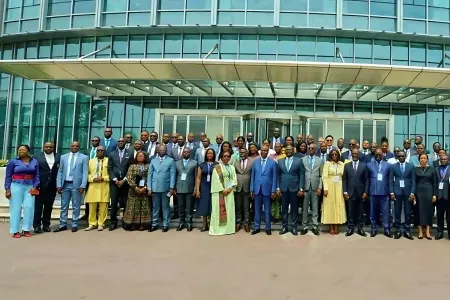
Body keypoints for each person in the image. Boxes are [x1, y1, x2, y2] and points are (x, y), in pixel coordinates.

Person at [4, 145, 40, 238]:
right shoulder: (13, 161)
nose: (20, 151)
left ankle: (26, 229)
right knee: (16, 208)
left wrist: (35, 186)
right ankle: (15, 230)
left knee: (29, 207)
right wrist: (7, 189)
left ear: (28, 151)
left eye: (23, 150)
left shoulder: (34, 161)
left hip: (30, 187)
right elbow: (8, 175)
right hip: (16, 186)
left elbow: (37, 175)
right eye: (19, 150)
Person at [54, 141, 88, 233]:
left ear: (79, 147)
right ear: (70, 146)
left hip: (76, 185)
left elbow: (85, 172)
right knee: (64, 206)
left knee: (76, 206)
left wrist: (83, 185)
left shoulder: (84, 157)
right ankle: (62, 224)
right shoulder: (63, 157)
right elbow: (60, 171)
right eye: (73, 145)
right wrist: (58, 184)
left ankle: (74, 224)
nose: (74, 147)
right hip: (65, 184)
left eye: (77, 146)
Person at [277, 145, 305, 235]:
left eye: (290, 149)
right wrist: (277, 188)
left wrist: (301, 188)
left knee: (294, 209)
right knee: (284, 209)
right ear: (284, 151)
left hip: (294, 188)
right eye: (287, 150)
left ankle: (294, 227)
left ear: (293, 150)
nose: (288, 151)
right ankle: (284, 227)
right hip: (283, 188)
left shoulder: (299, 160)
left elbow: (302, 175)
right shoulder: (280, 161)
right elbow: (278, 176)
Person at [33, 142, 60, 233]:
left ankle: (46, 225)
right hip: (40, 185)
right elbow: (34, 171)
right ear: (43, 147)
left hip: (52, 186)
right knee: (38, 207)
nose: (49, 148)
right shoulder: (37, 157)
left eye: (51, 147)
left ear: (53, 148)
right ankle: (36, 226)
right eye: (47, 147)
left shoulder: (58, 156)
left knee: (49, 207)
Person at [148, 145, 176, 232]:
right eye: (160, 149)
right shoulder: (153, 161)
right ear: (157, 151)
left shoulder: (170, 160)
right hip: (155, 187)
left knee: (165, 207)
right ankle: (154, 224)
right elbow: (150, 175)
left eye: (164, 149)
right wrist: (149, 188)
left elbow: (172, 174)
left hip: (166, 187)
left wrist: (172, 187)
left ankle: (165, 224)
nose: (162, 151)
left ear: (166, 150)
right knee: (155, 207)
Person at [250, 145, 277, 235]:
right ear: (260, 151)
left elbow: (274, 178)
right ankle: (256, 227)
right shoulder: (255, 162)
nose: (264, 152)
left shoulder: (272, 163)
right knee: (257, 210)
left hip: (267, 190)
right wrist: (251, 189)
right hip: (257, 189)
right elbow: (252, 177)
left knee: (267, 210)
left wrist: (273, 190)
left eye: (265, 150)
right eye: (262, 150)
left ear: (268, 152)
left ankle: (268, 228)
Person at [389, 151, 415, 240]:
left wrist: (412, 192)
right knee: (397, 212)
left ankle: (407, 230)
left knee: (408, 212)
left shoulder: (410, 166)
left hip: (408, 192)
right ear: (397, 157)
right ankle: (398, 230)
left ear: (405, 156)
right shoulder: (393, 166)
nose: (401, 158)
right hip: (397, 192)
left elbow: (413, 180)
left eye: (402, 156)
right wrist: (391, 192)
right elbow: (390, 180)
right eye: (399, 156)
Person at [209, 151, 237, 236]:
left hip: (229, 192)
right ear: (221, 157)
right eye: (224, 156)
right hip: (219, 193)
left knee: (229, 210)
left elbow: (234, 179)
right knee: (217, 211)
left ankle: (228, 229)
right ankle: (217, 230)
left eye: (228, 156)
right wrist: (222, 190)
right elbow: (216, 180)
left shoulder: (232, 167)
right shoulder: (216, 168)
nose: (226, 157)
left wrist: (229, 189)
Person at [342, 148, 369, 237]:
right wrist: (345, 191)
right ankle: (351, 228)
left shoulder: (364, 165)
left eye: (356, 154)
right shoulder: (347, 165)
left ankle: (360, 228)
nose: (354, 155)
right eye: (353, 154)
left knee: (360, 212)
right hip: (350, 192)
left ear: (359, 155)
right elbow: (344, 179)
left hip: (361, 193)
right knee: (351, 211)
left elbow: (366, 180)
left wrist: (365, 192)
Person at [367, 148, 392, 238]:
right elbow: (367, 180)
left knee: (385, 213)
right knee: (373, 212)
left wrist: (390, 191)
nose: (378, 156)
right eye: (376, 155)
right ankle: (373, 229)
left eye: (380, 155)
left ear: (383, 155)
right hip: (373, 192)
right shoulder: (369, 165)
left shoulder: (388, 165)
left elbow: (390, 180)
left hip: (384, 193)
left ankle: (386, 229)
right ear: (374, 155)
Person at [84, 146, 110, 231]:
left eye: (102, 150)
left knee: (103, 207)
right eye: (98, 150)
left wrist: (104, 178)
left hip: (104, 186)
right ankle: (92, 223)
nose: (100, 152)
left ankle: (101, 223)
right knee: (92, 207)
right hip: (93, 186)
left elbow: (112, 173)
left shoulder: (108, 160)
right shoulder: (91, 161)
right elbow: (86, 174)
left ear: (104, 151)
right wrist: (92, 179)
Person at [107, 137, 131, 231]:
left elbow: (130, 168)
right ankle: (113, 222)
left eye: (122, 141)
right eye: (119, 141)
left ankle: (125, 222)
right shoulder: (112, 154)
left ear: (125, 142)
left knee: (125, 203)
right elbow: (109, 168)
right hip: (114, 183)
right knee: (113, 203)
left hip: (125, 182)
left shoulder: (130, 153)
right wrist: (115, 179)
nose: (120, 142)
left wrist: (124, 180)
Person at [123, 151, 150, 231]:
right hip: (133, 191)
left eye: (142, 156)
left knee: (143, 207)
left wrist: (145, 188)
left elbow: (150, 177)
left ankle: (142, 224)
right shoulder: (132, 166)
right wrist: (135, 188)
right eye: (138, 156)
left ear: (145, 157)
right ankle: (132, 224)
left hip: (144, 190)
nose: (140, 157)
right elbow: (129, 177)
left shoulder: (148, 166)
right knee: (133, 207)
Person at [321, 149, 346, 235]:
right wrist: (325, 188)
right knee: (330, 206)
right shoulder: (327, 164)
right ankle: (331, 226)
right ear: (330, 156)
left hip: (339, 186)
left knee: (338, 205)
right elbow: (324, 177)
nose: (334, 155)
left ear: (338, 155)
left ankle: (336, 225)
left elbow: (345, 176)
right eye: (333, 154)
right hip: (330, 186)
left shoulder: (342, 164)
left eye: (336, 154)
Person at [301, 144, 322, 236]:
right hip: (305, 186)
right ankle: (304, 226)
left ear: (315, 149)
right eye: (309, 148)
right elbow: (301, 174)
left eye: (313, 148)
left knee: (315, 207)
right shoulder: (303, 159)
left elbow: (321, 176)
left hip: (315, 186)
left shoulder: (320, 160)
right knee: (304, 208)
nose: (311, 149)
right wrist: (301, 188)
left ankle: (315, 226)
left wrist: (320, 187)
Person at [174, 148, 197, 232]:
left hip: (190, 188)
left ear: (190, 153)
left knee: (189, 206)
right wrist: (174, 188)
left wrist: (195, 189)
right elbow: (174, 176)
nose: (186, 153)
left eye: (188, 152)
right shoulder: (176, 163)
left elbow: (196, 177)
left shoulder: (194, 163)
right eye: (184, 152)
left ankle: (189, 223)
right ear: (182, 153)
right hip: (179, 188)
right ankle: (181, 222)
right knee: (180, 206)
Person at [195, 148, 218, 231]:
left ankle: (212, 223)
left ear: (214, 155)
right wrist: (197, 190)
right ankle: (204, 224)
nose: (210, 155)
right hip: (204, 187)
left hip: (214, 187)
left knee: (213, 205)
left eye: (211, 153)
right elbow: (198, 178)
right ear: (206, 155)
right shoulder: (202, 165)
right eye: (208, 153)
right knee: (204, 205)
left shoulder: (217, 164)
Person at [415, 153, 436, 240]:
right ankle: (420, 231)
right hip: (419, 191)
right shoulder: (415, 169)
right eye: (421, 158)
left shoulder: (432, 169)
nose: (423, 160)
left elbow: (434, 182)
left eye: (424, 158)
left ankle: (427, 231)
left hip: (429, 191)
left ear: (427, 160)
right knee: (419, 211)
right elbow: (414, 181)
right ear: (419, 160)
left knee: (428, 211)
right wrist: (414, 194)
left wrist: (434, 194)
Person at [233, 147, 254, 233]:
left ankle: (246, 223)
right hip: (238, 187)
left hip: (247, 187)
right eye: (241, 152)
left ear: (247, 153)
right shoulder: (236, 163)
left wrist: (252, 188)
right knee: (238, 207)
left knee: (246, 207)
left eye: (244, 152)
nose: (242, 154)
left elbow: (253, 175)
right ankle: (238, 222)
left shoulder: (252, 162)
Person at [434, 154, 450, 240]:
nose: (443, 160)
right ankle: (440, 232)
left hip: (448, 196)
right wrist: (434, 194)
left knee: (449, 217)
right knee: (439, 215)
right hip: (439, 196)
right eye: (442, 159)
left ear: (448, 160)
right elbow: (435, 183)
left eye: (445, 159)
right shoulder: (436, 169)